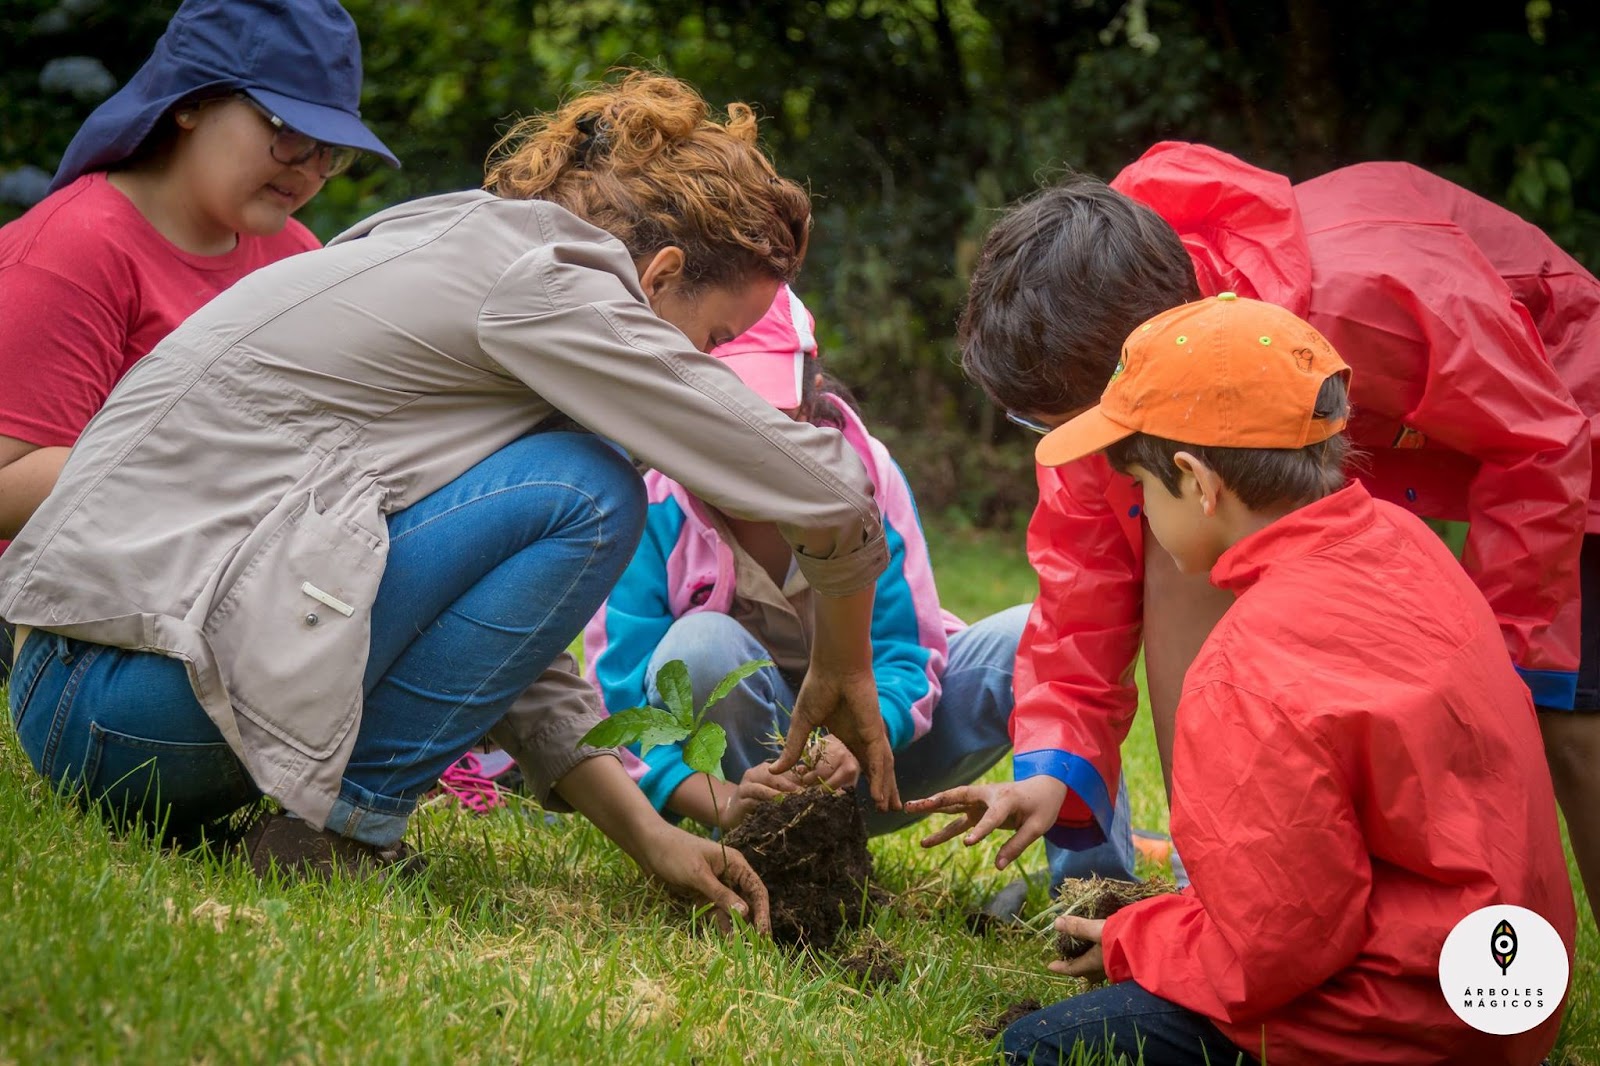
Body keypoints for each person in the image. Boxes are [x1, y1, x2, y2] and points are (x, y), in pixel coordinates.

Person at [0, 72, 900, 928]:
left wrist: (652, 836)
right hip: (119, 703)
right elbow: (829, 490)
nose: (704, 372)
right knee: (591, 489)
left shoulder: (474, 252)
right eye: (712, 340)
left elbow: (501, 649)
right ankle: (340, 835)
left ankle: (336, 824)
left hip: (89, 701)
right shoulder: (552, 283)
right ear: (658, 276)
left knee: (579, 484)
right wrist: (843, 663)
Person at [949, 143, 1600, 917]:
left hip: (1559, 407)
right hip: (1376, 438)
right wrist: (1056, 762)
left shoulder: (1369, 293)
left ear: (1136, 369)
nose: (1081, 451)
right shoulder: (1098, 361)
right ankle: (1222, 886)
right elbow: (1081, 584)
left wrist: (1502, 662)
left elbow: (1540, 442)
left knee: (1569, 717)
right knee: (1178, 553)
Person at [934, 294, 1576, 1065]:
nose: (1138, 507)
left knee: (1040, 1047)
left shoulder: (1247, 670)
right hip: (1512, 998)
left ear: (1197, 482)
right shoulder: (1405, 544)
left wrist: (1140, 937)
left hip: (1413, 1021)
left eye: (1138, 487)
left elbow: (1280, 947)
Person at [0, 0, 399, 682]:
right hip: (44, 617)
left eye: (331, 149)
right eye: (285, 129)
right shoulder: (73, 246)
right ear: (189, 103)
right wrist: (223, 465)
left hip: (210, 589)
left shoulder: (293, 253)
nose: (307, 166)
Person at [582, 285, 1026, 834]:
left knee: (1033, 638)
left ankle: (1100, 880)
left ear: (811, 393)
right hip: (740, 782)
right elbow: (618, 699)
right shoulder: (655, 506)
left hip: (875, 762)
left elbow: (904, 650)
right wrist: (718, 799)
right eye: (724, 413)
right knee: (701, 647)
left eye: (772, 414)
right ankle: (765, 847)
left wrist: (865, 735)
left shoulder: (868, 476)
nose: (752, 440)